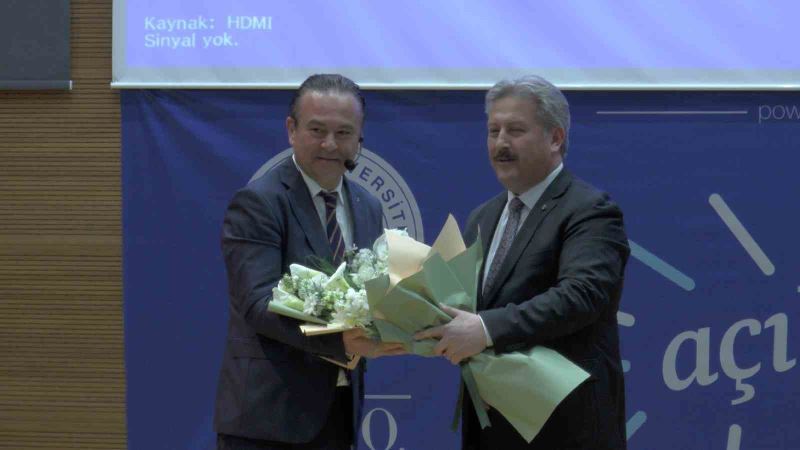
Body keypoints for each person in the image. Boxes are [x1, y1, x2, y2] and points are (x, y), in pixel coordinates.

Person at [416, 75, 630, 449]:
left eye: (515, 130)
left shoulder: (590, 210)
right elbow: (460, 309)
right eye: (493, 131)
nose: (501, 143)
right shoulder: (482, 217)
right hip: (491, 426)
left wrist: (486, 329)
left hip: (565, 428)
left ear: (555, 138)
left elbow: (581, 296)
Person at [214, 74, 405, 450]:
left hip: (340, 413)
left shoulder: (368, 205)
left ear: (360, 139)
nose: (330, 144)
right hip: (266, 420)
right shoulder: (260, 202)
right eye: (317, 130)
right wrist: (340, 341)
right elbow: (258, 303)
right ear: (291, 129)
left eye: (344, 133)